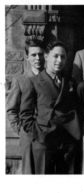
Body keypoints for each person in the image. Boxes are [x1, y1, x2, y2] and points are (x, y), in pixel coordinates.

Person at [21, 40, 80, 174]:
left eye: (63, 57)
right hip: (44, 143)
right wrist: (39, 136)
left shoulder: (69, 82)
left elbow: (74, 110)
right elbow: (25, 115)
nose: (59, 60)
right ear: (46, 56)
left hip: (65, 145)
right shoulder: (33, 82)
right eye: (55, 56)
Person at [6, 39, 45, 174]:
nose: (37, 58)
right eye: (33, 55)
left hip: (47, 134)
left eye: (40, 54)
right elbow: (11, 109)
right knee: (29, 171)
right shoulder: (21, 80)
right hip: (28, 135)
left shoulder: (49, 78)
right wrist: (21, 130)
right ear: (27, 57)